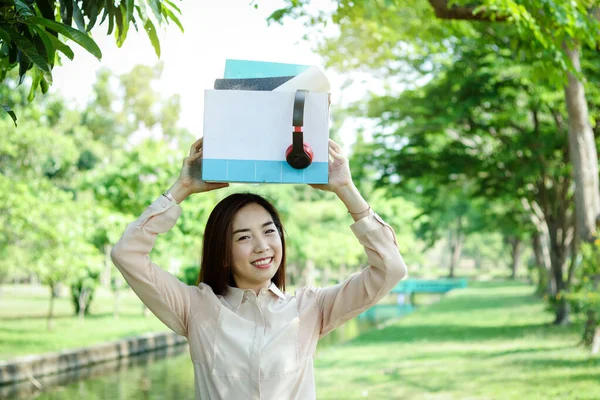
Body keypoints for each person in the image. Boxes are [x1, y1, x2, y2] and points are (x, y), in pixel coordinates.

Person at [111, 137, 407, 400]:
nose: (262, 245)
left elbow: (390, 269)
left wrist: (346, 189)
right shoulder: (196, 308)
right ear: (223, 253)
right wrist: (181, 189)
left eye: (269, 231)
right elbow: (127, 254)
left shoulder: (310, 309)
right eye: (243, 237)